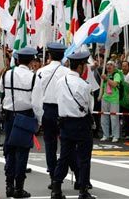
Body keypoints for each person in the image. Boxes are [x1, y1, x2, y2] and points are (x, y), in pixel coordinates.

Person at [32, 43, 78, 190]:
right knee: (68, 145)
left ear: (50, 55)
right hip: (64, 110)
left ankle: (54, 177)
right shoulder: (67, 72)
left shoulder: (41, 71)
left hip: (47, 110)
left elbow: (36, 97)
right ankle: (78, 176)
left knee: (50, 146)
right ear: (63, 55)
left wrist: (38, 118)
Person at [51, 51, 95, 199]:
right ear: (81, 66)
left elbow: (58, 100)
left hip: (64, 122)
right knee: (83, 158)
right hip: (81, 123)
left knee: (64, 156)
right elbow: (90, 108)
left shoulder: (60, 81)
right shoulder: (84, 85)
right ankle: (83, 190)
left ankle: (56, 188)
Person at [0, 47, 38, 198]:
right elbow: (36, 102)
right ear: (32, 61)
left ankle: (9, 185)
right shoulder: (33, 77)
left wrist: (1, 110)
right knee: (22, 152)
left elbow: (0, 95)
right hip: (26, 116)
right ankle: (18, 189)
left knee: (9, 150)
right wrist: (38, 120)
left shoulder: (7, 74)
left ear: (18, 59)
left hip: (9, 115)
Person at [100, 60, 121, 142]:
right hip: (105, 98)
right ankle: (105, 135)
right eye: (107, 64)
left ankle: (115, 135)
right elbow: (102, 87)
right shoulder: (104, 75)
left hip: (114, 99)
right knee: (104, 117)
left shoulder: (116, 75)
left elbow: (115, 84)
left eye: (111, 65)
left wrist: (107, 79)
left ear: (114, 67)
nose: (109, 66)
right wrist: (100, 96)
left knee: (114, 118)